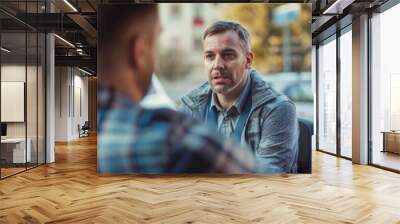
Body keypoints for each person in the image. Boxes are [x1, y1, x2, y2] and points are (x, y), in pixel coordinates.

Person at [97, 4, 256, 174]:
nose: (217, 65)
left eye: (228, 55)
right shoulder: (176, 140)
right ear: (140, 51)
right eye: (155, 41)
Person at [180, 21, 299, 173]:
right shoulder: (191, 106)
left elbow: (269, 178)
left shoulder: (278, 109)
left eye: (228, 55)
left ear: (248, 60)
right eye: (210, 56)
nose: (217, 65)